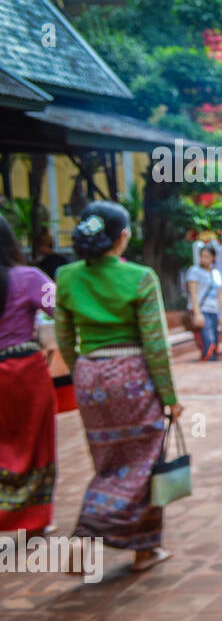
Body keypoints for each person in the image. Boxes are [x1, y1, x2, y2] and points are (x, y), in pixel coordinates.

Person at [54, 202, 178, 572]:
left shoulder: (66, 276)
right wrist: (170, 397)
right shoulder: (140, 277)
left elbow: (64, 338)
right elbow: (155, 344)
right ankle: (120, 544)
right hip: (133, 376)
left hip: (90, 377)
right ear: (122, 237)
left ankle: (134, 548)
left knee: (110, 463)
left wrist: (86, 373)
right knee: (145, 463)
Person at [0, 216, 57, 534]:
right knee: (37, 444)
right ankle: (34, 520)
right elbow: (59, 307)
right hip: (26, 371)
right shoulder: (29, 277)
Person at [186, 243, 222, 362]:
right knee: (207, 342)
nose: (204, 259)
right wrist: (197, 314)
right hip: (202, 311)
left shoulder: (216, 273)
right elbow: (193, 294)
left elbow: (219, 295)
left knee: (215, 342)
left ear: (213, 257)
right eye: (202, 256)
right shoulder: (195, 271)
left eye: (207, 256)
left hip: (213, 310)